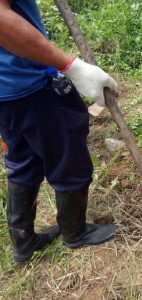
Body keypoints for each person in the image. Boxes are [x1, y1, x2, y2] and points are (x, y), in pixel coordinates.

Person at [0, 0, 118, 263]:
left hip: (4, 93)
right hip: (29, 84)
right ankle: (75, 233)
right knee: (69, 157)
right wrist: (71, 66)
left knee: (24, 161)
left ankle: (24, 243)